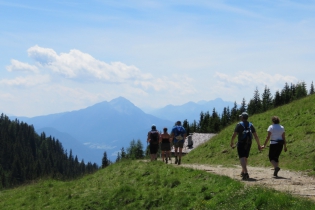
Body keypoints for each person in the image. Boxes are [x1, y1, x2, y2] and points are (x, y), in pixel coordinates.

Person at [230, 112, 262, 180]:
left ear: (242, 117)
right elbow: (256, 136)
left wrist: (232, 142)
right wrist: (259, 145)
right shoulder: (251, 125)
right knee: (245, 157)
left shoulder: (239, 125)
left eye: (241, 117)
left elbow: (234, 134)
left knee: (241, 157)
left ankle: (246, 173)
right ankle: (243, 171)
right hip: (249, 142)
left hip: (241, 142)